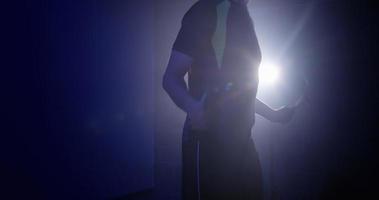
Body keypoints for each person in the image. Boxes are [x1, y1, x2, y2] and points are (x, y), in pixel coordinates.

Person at [163, 0, 295, 199]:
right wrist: (194, 108)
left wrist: (273, 114)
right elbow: (170, 78)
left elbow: (238, 90)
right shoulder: (205, 11)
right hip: (209, 143)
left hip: (242, 142)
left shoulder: (242, 13)